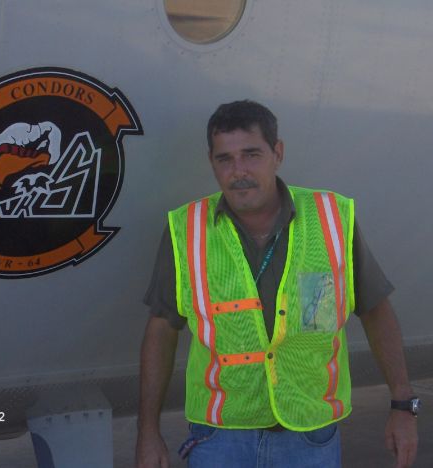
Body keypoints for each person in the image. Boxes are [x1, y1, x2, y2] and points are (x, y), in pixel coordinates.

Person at [136, 100, 418, 468]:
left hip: (309, 436)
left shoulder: (330, 219)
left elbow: (376, 311)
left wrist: (403, 405)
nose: (239, 171)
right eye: (225, 159)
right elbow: (161, 331)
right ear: (212, 162)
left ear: (277, 153)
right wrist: (147, 432)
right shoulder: (186, 229)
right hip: (220, 438)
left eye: (252, 154)